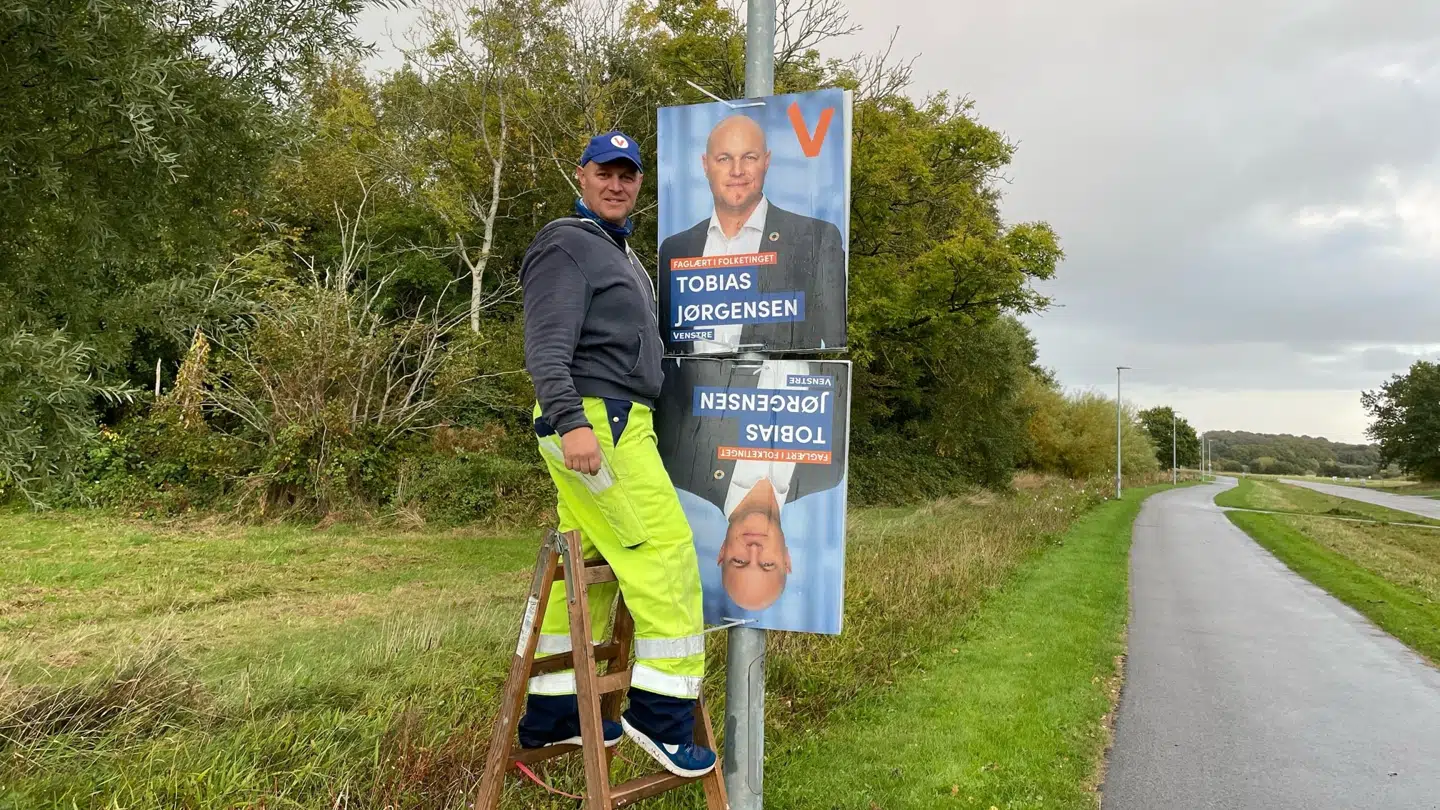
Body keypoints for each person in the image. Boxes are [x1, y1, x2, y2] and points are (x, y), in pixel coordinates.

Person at [515, 130, 715, 778]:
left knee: (587, 561)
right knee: (666, 555)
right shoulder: (566, 245)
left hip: (618, 422)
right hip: (599, 428)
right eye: (606, 171)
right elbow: (546, 346)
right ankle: (660, 719)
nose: (618, 183)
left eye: (628, 174)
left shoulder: (617, 252)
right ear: (581, 175)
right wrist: (573, 424)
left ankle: (556, 715)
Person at [655, 358, 845, 612]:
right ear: (787, 559)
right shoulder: (826, 471)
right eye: (767, 564)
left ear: (722, 552)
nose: (754, 550)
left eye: (739, 561)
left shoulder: (681, 463)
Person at [658, 114, 847, 355]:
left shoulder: (814, 240)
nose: (737, 171)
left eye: (749, 157)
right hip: (694, 392)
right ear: (705, 165)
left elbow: (831, 345)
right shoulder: (675, 249)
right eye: (724, 158)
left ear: (766, 161)